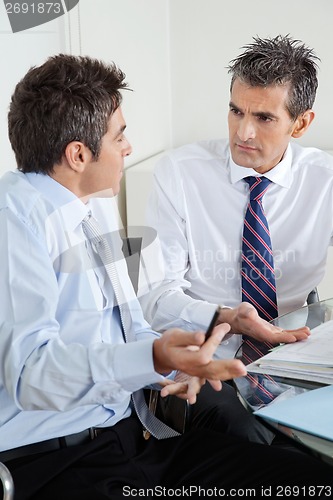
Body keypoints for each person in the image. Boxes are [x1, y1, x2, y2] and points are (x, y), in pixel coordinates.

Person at [0, 53, 331, 500]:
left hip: (133, 436)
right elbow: (30, 375)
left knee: (311, 481)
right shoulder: (14, 222)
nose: (130, 147)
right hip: (58, 459)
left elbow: (130, 323)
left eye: (263, 117)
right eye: (120, 136)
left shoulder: (90, 204)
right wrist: (156, 356)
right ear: (78, 154)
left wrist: (177, 360)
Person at [138, 33, 333, 446]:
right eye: (235, 110)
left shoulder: (325, 181)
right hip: (205, 360)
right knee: (259, 446)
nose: (242, 131)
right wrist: (223, 316)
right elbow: (154, 296)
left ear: (301, 123)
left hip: (292, 362)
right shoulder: (180, 173)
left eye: (263, 118)